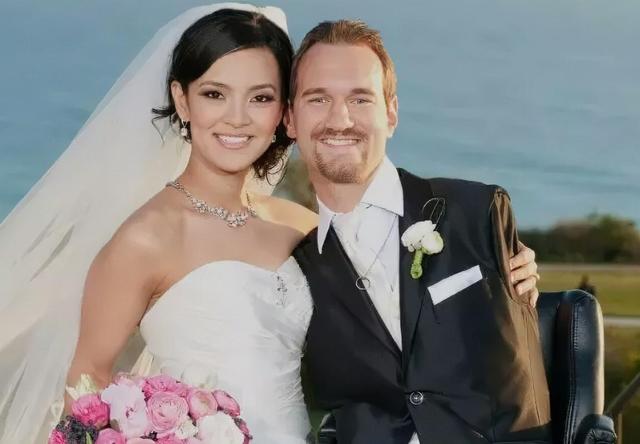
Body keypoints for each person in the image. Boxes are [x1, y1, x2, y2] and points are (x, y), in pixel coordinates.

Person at [0, 5, 539, 443]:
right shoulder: (144, 238)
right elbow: (86, 383)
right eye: (214, 94)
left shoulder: (302, 228)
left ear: (283, 113)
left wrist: (509, 278)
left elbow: (388, 322)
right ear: (181, 100)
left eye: (259, 97)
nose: (236, 118)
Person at [289, 21, 550, 443]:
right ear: (289, 119)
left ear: (391, 113)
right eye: (318, 99)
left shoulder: (477, 212)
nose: (340, 119)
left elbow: (521, 373)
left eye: (360, 98)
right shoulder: (295, 267)